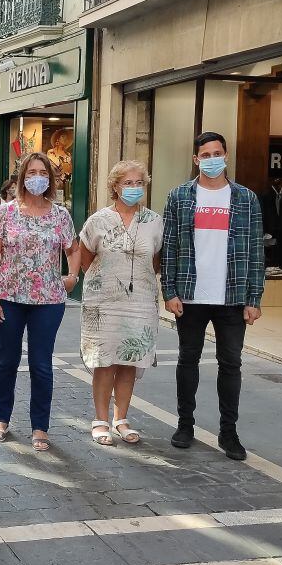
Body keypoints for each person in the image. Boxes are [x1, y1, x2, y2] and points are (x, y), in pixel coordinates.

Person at [163, 132, 264, 462]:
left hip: (232, 296)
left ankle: (229, 432)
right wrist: (170, 291)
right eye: (205, 155)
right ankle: (185, 425)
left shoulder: (246, 199)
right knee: (187, 360)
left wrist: (254, 297)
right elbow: (170, 247)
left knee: (231, 364)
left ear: (226, 155)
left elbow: (255, 251)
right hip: (190, 295)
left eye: (216, 153)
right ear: (196, 159)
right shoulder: (180, 196)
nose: (211, 159)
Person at [0, 152, 80, 451]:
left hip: (49, 300)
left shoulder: (60, 214)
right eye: (31, 171)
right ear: (22, 177)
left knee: (41, 364)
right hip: (9, 298)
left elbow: (73, 249)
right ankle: (2, 418)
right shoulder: (5, 213)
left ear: (50, 178)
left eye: (43, 172)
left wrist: (72, 276)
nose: (37, 177)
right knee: (7, 361)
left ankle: (40, 426)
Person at [79, 160, 163, 446]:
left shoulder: (154, 221)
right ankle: (100, 419)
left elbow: (155, 260)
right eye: (128, 183)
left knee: (130, 361)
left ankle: (122, 418)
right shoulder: (98, 220)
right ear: (115, 186)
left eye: (139, 182)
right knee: (105, 362)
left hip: (140, 301)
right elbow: (86, 259)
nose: (134, 188)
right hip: (103, 304)